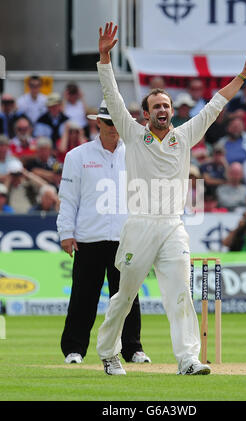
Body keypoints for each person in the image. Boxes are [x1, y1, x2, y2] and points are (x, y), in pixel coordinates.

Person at [95, 22, 246, 376]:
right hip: (140, 225)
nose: (163, 109)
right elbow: (113, 95)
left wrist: (241, 77)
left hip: (173, 227)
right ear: (147, 114)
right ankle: (108, 352)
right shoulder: (134, 135)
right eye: (156, 106)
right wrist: (105, 55)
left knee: (181, 294)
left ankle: (187, 359)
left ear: (171, 110)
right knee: (125, 296)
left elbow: (214, 106)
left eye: (166, 104)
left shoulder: (184, 136)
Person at [57, 99, 150, 366]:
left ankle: (132, 349)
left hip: (126, 237)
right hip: (89, 236)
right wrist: (66, 232)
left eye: (117, 122)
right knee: (83, 297)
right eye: (108, 122)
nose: (113, 128)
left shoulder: (135, 153)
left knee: (127, 297)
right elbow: (69, 198)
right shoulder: (78, 156)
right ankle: (74, 349)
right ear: (97, 122)